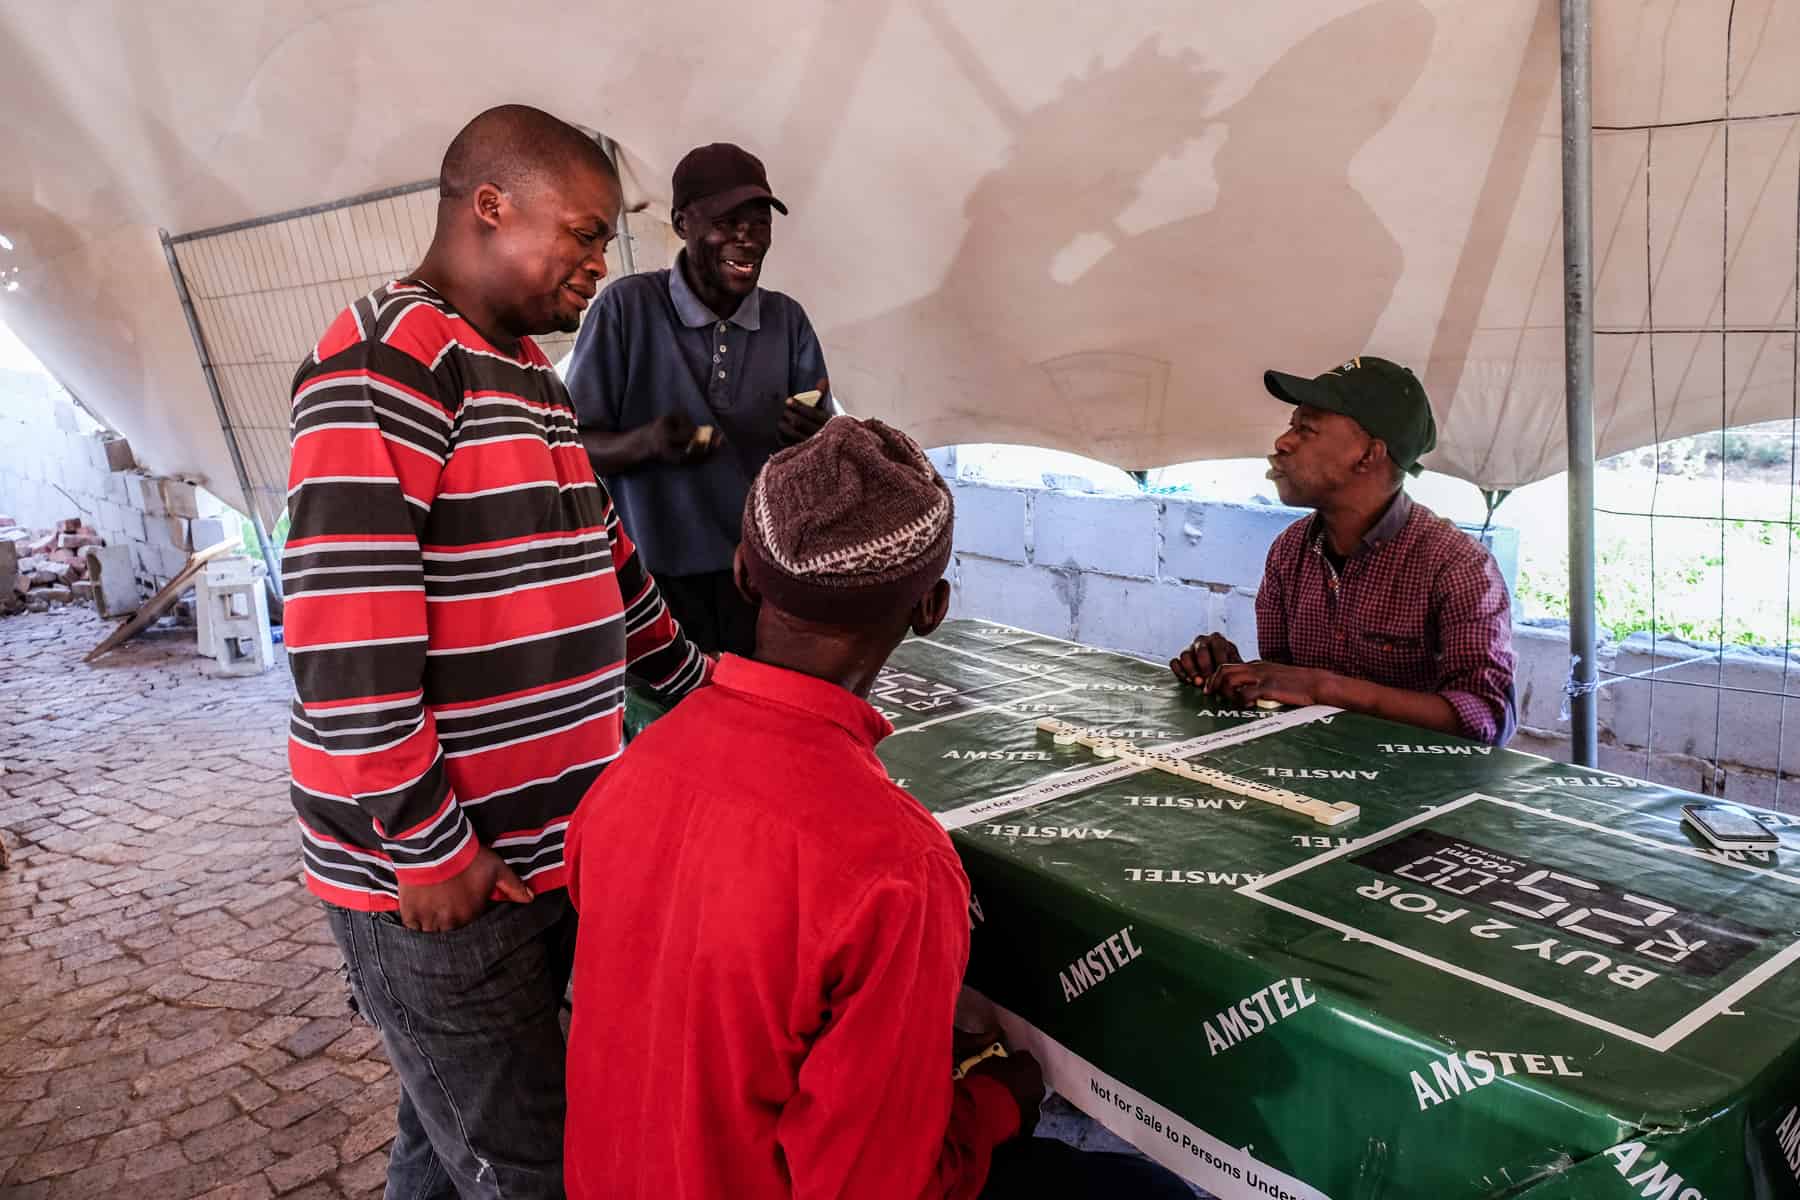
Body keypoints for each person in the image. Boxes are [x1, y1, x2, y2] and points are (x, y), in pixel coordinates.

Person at [563, 418, 1192, 1199]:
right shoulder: (894, 868)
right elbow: (875, 1187)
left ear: (744, 574)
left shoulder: (628, 773)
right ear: (932, 609)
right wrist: (1003, 1100)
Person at [284, 105, 710, 1199]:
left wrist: (710, 699)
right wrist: (429, 848)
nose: (599, 266)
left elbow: (610, 567)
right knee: (532, 1170)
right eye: (584, 233)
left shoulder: (524, 371)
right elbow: (345, 647)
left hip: (536, 855)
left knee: (449, 1132)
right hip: (443, 880)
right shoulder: (387, 359)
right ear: (492, 206)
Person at [566, 141, 834, 659]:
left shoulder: (787, 321)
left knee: (751, 713)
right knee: (671, 719)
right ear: (682, 224)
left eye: (759, 223)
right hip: (651, 580)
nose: (746, 238)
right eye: (727, 222)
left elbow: (822, 451)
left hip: (757, 575)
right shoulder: (629, 308)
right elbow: (571, 443)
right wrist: (644, 443)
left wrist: (812, 437)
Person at [1172, 356, 1516, 746]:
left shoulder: (1457, 566)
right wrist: (1238, 673)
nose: (1282, 443)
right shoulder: (1290, 551)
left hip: (1418, 794)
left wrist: (1323, 687)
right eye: (1290, 427)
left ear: (1368, 455)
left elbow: (1487, 718)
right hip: (1315, 781)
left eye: (1306, 429)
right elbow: (1287, 692)